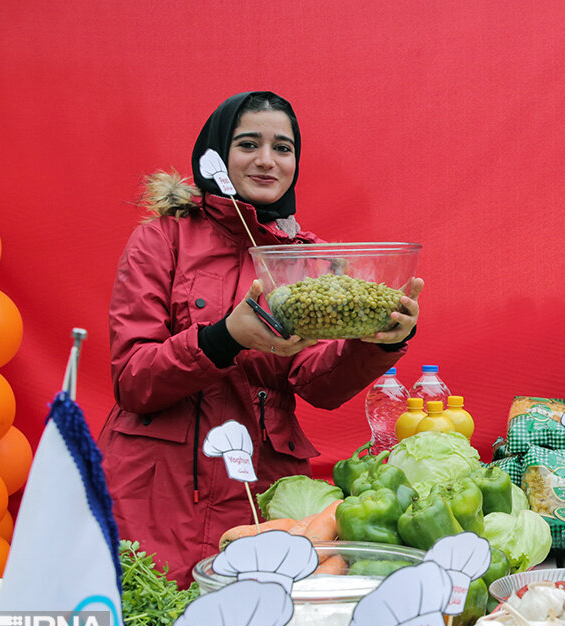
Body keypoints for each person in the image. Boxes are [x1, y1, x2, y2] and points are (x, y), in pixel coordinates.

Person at [99, 91, 422, 584]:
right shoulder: (164, 238)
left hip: (257, 490)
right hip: (158, 489)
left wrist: (375, 342)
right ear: (218, 155)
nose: (268, 160)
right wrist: (225, 337)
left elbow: (316, 384)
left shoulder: (306, 258)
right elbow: (133, 379)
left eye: (284, 147)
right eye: (249, 144)